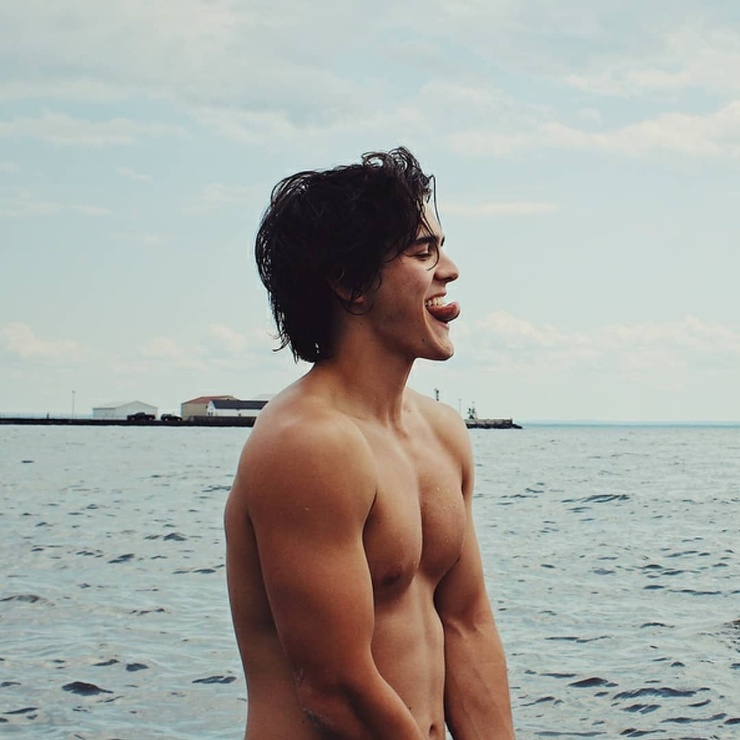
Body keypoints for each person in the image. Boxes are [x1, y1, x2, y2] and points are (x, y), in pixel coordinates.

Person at [224, 147, 515, 739]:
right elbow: (334, 689)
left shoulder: (442, 433)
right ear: (350, 282)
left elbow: (467, 625)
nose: (450, 269)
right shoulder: (307, 444)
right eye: (422, 252)